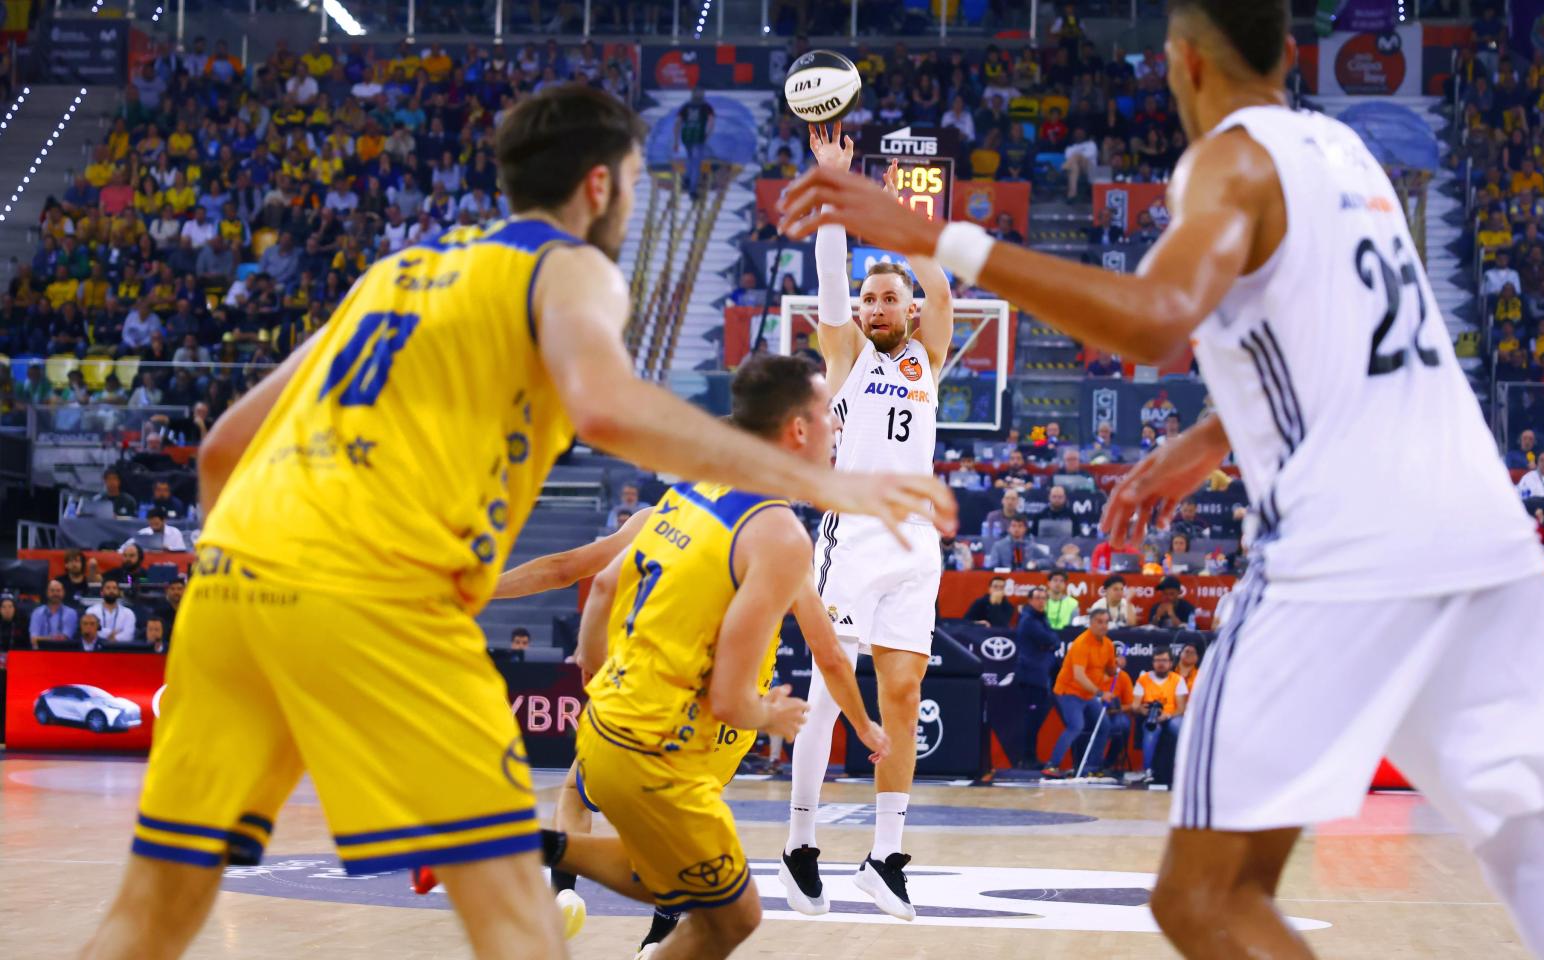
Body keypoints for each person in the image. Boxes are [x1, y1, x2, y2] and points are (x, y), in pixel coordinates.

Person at [771, 4, 1544, 957]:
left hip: (1349, 545)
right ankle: (810, 838)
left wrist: (943, 241)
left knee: (1201, 899)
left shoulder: (1228, 159)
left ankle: (869, 849)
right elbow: (1359, 348)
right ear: (1293, 54)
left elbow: (1154, 317)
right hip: (1486, 531)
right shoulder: (1350, 157)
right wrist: (1216, 434)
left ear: (1184, 63)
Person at [81, 85, 952, 960]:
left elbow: (224, 449)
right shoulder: (568, 267)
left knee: (145, 921)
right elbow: (607, 411)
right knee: (521, 931)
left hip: (230, 584)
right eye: (638, 178)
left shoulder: (395, 271)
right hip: (378, 602)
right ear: (601, 186)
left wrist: (250, 576)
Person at [574, 355, 893, 959]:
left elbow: (603, 589)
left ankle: (530, 845)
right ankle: (511, 845)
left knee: (680, 884)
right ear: (798, 430)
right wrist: (769, 717)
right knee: (732, 914)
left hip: (603, 730)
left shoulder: (690, 489)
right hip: (658, 751)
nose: (837, 428)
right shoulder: (777, 535)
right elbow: (729, 701)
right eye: (830, 414)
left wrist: (594, 676)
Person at [784, 127, 959, 923]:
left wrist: (904, 226)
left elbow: (944, 291)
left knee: (904, 691)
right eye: (869, 298)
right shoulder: (846, 354)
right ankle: (799, 845)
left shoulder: (928, 355)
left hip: (916, 544)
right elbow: (828, 278)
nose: (878, 305)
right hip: (851, 536)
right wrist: (835, 187)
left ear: (910, 308)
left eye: (891, 296)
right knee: (830, 693)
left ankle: (884, 858)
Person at [1042, 608, 1119, 778]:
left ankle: (1092, 767)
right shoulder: (1082, 643)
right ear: (1091, 623)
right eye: (1099, 622)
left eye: (1106, 622)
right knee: (1076, 726)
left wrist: (1116, 665)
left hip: (1087, 695)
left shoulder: (1107, 644)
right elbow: (1079, 676)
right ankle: (1052, 765)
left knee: (1104, 726)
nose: (1103, 626)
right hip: (1069, 691)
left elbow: (1111, 670)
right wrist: (1100, 693)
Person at [1014, 587, 1060, 769]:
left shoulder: (1041, 618)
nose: (1041, 601)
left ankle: (1029, 757)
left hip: (1039, 675)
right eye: (1038, 598)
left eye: (1044, 598)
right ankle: (1027, 759)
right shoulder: (1029, 620)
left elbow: (1054, 640)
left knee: (1035, 720)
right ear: (1030, 600)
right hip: (1031, 676)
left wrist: (1050, 642)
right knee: (1032, 720)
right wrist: (1050, 643)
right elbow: (1050, 640)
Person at [1135, 648, 1189, 785]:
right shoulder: (1143, 679)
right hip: (1150, 716)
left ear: (1171, 663)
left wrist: (1167, 715)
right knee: (1152, 729)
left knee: (1179, 727)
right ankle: (1148, 771)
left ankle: (1184, 768)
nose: (1160, 664)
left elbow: (1181, 708)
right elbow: (1135, 705)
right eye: (1157, 660)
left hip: (1172, 716)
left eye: (1164, 660)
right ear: (1153, 663)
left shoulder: (1178, 679)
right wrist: (1143, 710)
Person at [675, 87, 715, 198]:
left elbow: (678, 122)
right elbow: (711, 121)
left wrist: (676, 140)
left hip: (687, 136)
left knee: (689, 158)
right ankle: (692, 190)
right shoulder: (706, 107)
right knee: (696, 164)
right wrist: (708, 134)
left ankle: (687, 178)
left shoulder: (686, 106)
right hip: (698, 137)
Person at [85, 579, 137, 647]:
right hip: (96, 650)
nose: (111, 591)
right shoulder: (91, 611)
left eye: (114, 588)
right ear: (102, 592)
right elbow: (90, 633)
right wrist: (112, 633)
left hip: (121, 650)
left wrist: (109, 636)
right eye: (108, 588)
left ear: (119, 592)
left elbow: (129, 635)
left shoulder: (128, 613)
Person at [28, 580, 78, 649]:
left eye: (58, 591)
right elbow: (33, 640)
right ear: (47, 593)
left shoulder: (71, 613)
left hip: (64, 653)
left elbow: (65, 639)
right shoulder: (37, 613)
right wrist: (54, 638)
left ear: (63, 593)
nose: (55, 594)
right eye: (52, 590)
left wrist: (42, 639)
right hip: (41, 653)